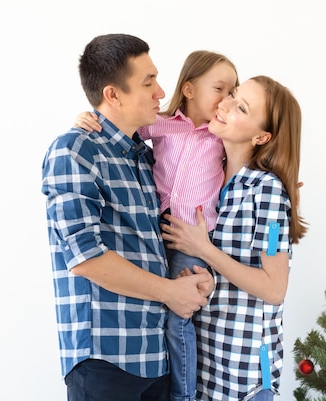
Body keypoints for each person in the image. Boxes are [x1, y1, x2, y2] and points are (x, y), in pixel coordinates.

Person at [41, 34, 214, 401]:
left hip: (156, 359)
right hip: (106, 360)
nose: (161, 92)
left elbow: (153, 249)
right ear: (113, 94)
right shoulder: (75, 151)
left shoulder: (144, 158)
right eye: (148, 82)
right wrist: (171, 293)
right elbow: (86, 259)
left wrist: (192, 280)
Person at [73, 50, 238, 401]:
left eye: (233, 92)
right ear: (190, 90)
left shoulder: (221, 135)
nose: (228, 99)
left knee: (180, 319)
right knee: (171, 307)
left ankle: (186, 394)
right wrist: (87, 118)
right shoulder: (161, 126)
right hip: (160, 230)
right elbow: (118, 126)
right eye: (220, 89)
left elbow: (255, 154)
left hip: (195, 236)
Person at [161, 75, 308, 401]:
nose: (224, 105)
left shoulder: (265, 190)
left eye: (240, 107)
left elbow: (273, 288)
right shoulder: (210, 177)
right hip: (203, 367)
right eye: (232, 95)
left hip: (244, 375)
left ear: (261, 136)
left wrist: (203, 248)